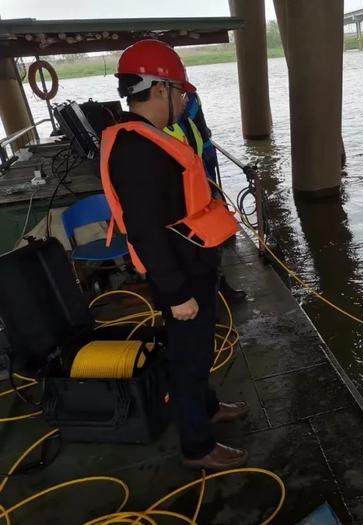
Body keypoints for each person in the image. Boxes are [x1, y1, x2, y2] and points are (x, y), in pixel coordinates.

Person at [100, 39, 249, 470]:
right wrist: (176, 291)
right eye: (179, 91)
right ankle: (198, 447)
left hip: (191, 266)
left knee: (198, 351)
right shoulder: (136, 150)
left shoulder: (148, 139)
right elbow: (145, 230)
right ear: (159, 88)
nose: (183, 100)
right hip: (178, 277)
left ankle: (206, 407)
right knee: (188, 359)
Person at [164, 93, 247, 304]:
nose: (185, 100)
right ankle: (202, 296)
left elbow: (200, 145)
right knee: (194, 249)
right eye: (180, 95)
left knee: (211, 246)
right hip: (185, 201)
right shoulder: (162, 130)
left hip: (202, 189)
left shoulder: (185, 120)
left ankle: (218, 287)